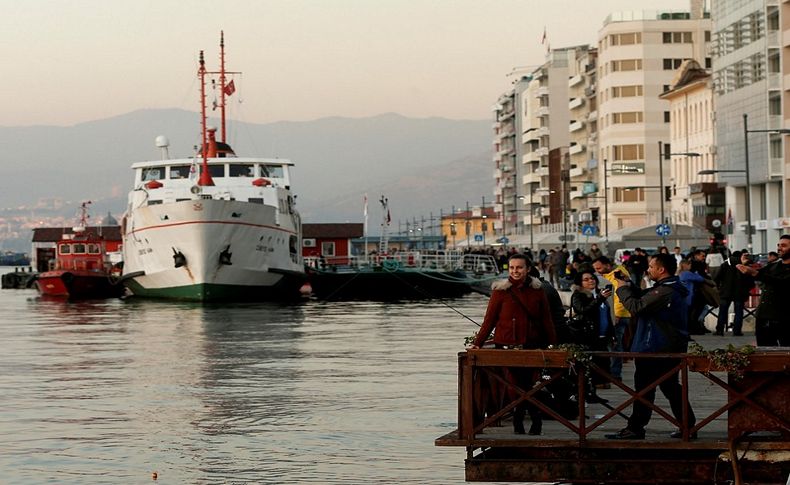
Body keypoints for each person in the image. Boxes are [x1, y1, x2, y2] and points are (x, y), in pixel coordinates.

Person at [606, 253, 696, 440]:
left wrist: (621, 289)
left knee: (645, 389)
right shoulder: (667, 288)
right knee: (669, 387)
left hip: (655, 347)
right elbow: (646, 299)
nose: (648, 270)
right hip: (663, 346)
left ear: (661, 270)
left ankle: (636, 428)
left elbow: (636, 306)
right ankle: (688, 425)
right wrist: (629, 284)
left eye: (651, 267)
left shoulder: (666, 291)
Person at [470, 253, 557, 435]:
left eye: (519, 267)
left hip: (532, 346)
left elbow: (546, 320)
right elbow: (489, 321)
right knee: (514, 386)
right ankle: (528, 419)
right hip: (507, 346)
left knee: (529, 385)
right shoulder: (500, 291)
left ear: (528, 269)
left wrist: (553, 345)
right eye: (512, 268)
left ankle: (526, 419)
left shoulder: (538, 290)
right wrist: (478, 343)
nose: (515, 271)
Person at [736, 235, 790, 346]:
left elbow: (782, 283)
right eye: (778, 245)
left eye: (784, 246)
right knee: (765, 354)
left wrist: (755, 273)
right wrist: (745, 266)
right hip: (764, 318)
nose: (779, 248)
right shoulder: (772, 266)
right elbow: (756, 277)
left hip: (785, 319)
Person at [570, 269, 614, 399]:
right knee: (587, 366)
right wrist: (599, 299)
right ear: (580, 283)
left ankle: (593, 392)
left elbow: (606, 315)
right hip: (587, 336)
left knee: (600, 366)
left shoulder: (599, 295)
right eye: (586, 279)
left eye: (592, 278)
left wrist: (612, 333)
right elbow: (583, 310)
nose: (591, 281)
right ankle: (586, 393)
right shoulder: (579, 295)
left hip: (602, 336)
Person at [592, 256, 632, 381]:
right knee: (612, 345)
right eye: (595, 269)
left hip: (619, 315)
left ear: (607, 265)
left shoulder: (618, 273)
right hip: (615, 315)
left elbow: (620, 296)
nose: (597, 271)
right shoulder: (607, 275)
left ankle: (615, 374)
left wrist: (616, 315)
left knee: (614, 345)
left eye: (599, 268)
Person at [714, 251, 755, 336]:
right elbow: (750, 280)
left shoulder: (725, 265)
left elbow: (717, 278)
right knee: (739, 312)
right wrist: (747, 288)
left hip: (726, 292)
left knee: (723, 311)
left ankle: (720, 330)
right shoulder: (743, 266)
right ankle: (737, 331)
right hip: (740, 292)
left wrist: (719, 288)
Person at [677, 259, 707, 334]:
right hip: (689, 297)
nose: (691, 266)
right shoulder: (687, 273)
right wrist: (696, 273)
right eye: (689, 265)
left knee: (686, 315)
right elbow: (701, 279)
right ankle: (691, 330)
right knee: (691, 314)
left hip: (682, 297)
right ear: (686, 265)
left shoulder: (680, 273)